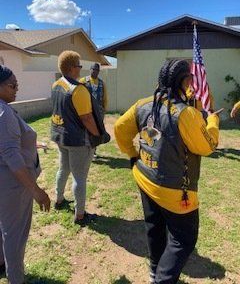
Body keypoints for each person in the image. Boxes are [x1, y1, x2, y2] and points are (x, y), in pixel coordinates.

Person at [114, 59, 220, 284]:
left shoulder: (143, 104)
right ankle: (162, 279)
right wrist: (212, 121)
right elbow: (207, 146)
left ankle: (154, 270)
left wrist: (133, 154)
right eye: (190, 78)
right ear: (183, 81)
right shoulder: (186, 114)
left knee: (155, 227)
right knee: (184, 239)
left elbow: (119, 129)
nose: (193, 82)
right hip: (175, 191)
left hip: (145, 178)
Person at [0, 65, 50, 284]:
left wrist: (34, 144)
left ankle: (2, 264)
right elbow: (10, 153)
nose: (16, 89)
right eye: (12, 85)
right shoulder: (4, 112)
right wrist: (36, 190)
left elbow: (7, 143)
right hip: (13, 186)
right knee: (15, 236)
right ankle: (15, 279)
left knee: (4, 228)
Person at [51, 51, 108, 226]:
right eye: (79, 65)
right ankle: (80, 215)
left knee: (63, 169)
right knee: (80, 177)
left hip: (60, 136)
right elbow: (87, 119)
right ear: (71, 68)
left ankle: (59, 200)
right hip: (77, 141)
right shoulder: (78, 90)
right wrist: (98, 135)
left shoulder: (56, 85)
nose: (80, 69)